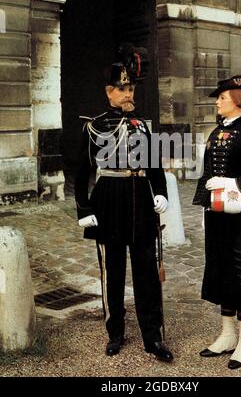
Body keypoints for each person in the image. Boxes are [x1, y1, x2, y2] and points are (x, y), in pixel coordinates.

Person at [74, 43, 173, 362]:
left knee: (146, 272)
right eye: (122, 88)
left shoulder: (144, 126)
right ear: (109, 92)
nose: (129, 94)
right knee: (113, 274)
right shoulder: (94, 127)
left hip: (141, 205)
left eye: (130, 88)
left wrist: (160, 192)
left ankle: (152, 337)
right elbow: (81, 173)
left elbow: (155, 166)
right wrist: (84, 209)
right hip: (109, 203)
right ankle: (115, 332)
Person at [193, 75, 241, 369]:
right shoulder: (216, 132)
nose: (217, 102)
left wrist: (230, 182)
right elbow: (206, 174)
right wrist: (206, 208)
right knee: (221, 271)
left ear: (238, 102)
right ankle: (226, 335)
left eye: (222, 98)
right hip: (218, 218)